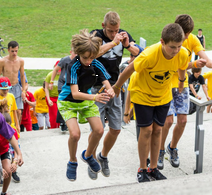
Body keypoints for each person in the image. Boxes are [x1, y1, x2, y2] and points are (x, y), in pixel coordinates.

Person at [113, 23, 188, 182]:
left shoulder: (181, 53)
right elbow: (129, 69)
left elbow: (182, 65)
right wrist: (118, 86)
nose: (175, 51)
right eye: (172, 47)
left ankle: (153, 168)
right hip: (143, 93)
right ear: (162, 42)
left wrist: (181, 82)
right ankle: (142, 169)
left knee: (157, 130)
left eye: (179, 47)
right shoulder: (149, 55)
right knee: (146, 130)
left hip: (163, 95)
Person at [88, 11, 140, 180]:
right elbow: (90, 55)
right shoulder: (95, 35)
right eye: (110, 31)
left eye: (115, 30)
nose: (113, 34)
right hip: (96, 89)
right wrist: (112, 42)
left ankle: (103, 156)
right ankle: (92, 158)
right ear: (104, 26)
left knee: (116, 129)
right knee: (97, 130)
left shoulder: (122, 34)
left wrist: (126, 44)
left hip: (115, 88)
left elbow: (138, 52)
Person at [57, 29, 114, 181]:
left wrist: (111, 91)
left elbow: (106, 81)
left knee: (99, 130)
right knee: (75, 134)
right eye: (84, 57)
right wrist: (95, 96)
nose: (88, 61)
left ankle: (88, 155)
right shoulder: (73, 66)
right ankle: (72, 161)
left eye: (91, 57)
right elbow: (75, 93)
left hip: (86, 101)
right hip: (68, 102)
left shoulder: (95, 63)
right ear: (78, 53)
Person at [158, 14, 212, 171]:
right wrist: (193, 63)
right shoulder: (170, 39)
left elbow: (206, 59)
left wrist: (207, 62)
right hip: (168, 83)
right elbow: (175, 65)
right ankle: (160, 150)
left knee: (182, 121)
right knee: (167, 121)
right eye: (185, 33)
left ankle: (172, 148)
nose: (186, 36)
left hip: (183, 84)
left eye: (188, 33)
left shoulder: (193, 39)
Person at [0, 41, 26, 124]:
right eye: (12, 51)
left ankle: (16, 128)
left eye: (16, 51)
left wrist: (23, 91)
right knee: (6, 110)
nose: (14, 53)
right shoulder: (3, 61)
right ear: (8, 50)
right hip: (6, 87)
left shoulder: (20, 61)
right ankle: (7, 128)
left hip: (16, 86)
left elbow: (23, 76)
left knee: (19, 111)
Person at [0, 99, 18, 195]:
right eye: (4, 128)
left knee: (8, 171)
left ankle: (4, 192)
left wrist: (15, 161)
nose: (6, 131)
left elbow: (16, 148)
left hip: (3, 152)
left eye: (9, 127)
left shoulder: (12, 131)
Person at [50, 49, 77, 131]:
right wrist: (51, 81)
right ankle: (62, 122)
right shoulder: (65, 60)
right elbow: (55, 69)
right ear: (70, 52)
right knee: (63, 102)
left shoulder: (78, 60)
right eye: (74, 52)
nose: (76, 55)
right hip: (62, 84)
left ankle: (69, 121)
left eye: (77, 53)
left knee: (71, 102)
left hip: (72, 84)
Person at [45, 61, 61, 129]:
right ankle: (53, 128)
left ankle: (59, 127)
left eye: (60, 70)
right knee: (54, 115)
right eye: (57, 70)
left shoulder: (63, 75)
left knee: (60, 114)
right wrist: (48, 99)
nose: (58, 72)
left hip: (60, 97)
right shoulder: (50, 75)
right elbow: (46, 88)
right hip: (51, 97)